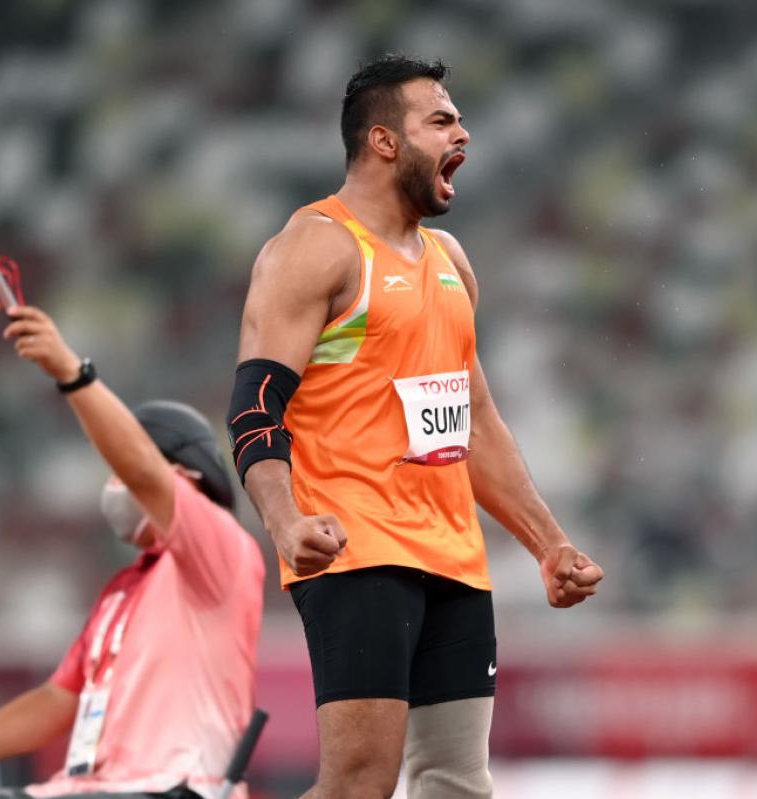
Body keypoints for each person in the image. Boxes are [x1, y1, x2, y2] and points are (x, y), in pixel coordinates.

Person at [227, 54, 605, 798]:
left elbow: (476, 423)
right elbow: (253, 405)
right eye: (441, 119)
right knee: (360, 785)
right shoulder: (317, 247)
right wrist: (284, 520)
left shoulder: (450, 261)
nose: (463, 131)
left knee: (458, 783)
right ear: (383, 142)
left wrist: (548, 543)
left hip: (453, 555)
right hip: (358, 546)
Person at [0, 305, 265, 799]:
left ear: (187, 475)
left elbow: (143, 472)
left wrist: (71, 373)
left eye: (120, 469)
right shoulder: (124, 590)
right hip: (89, 788)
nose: (113, 485)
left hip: (173, 788)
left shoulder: (222, 550)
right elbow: (56, 701)